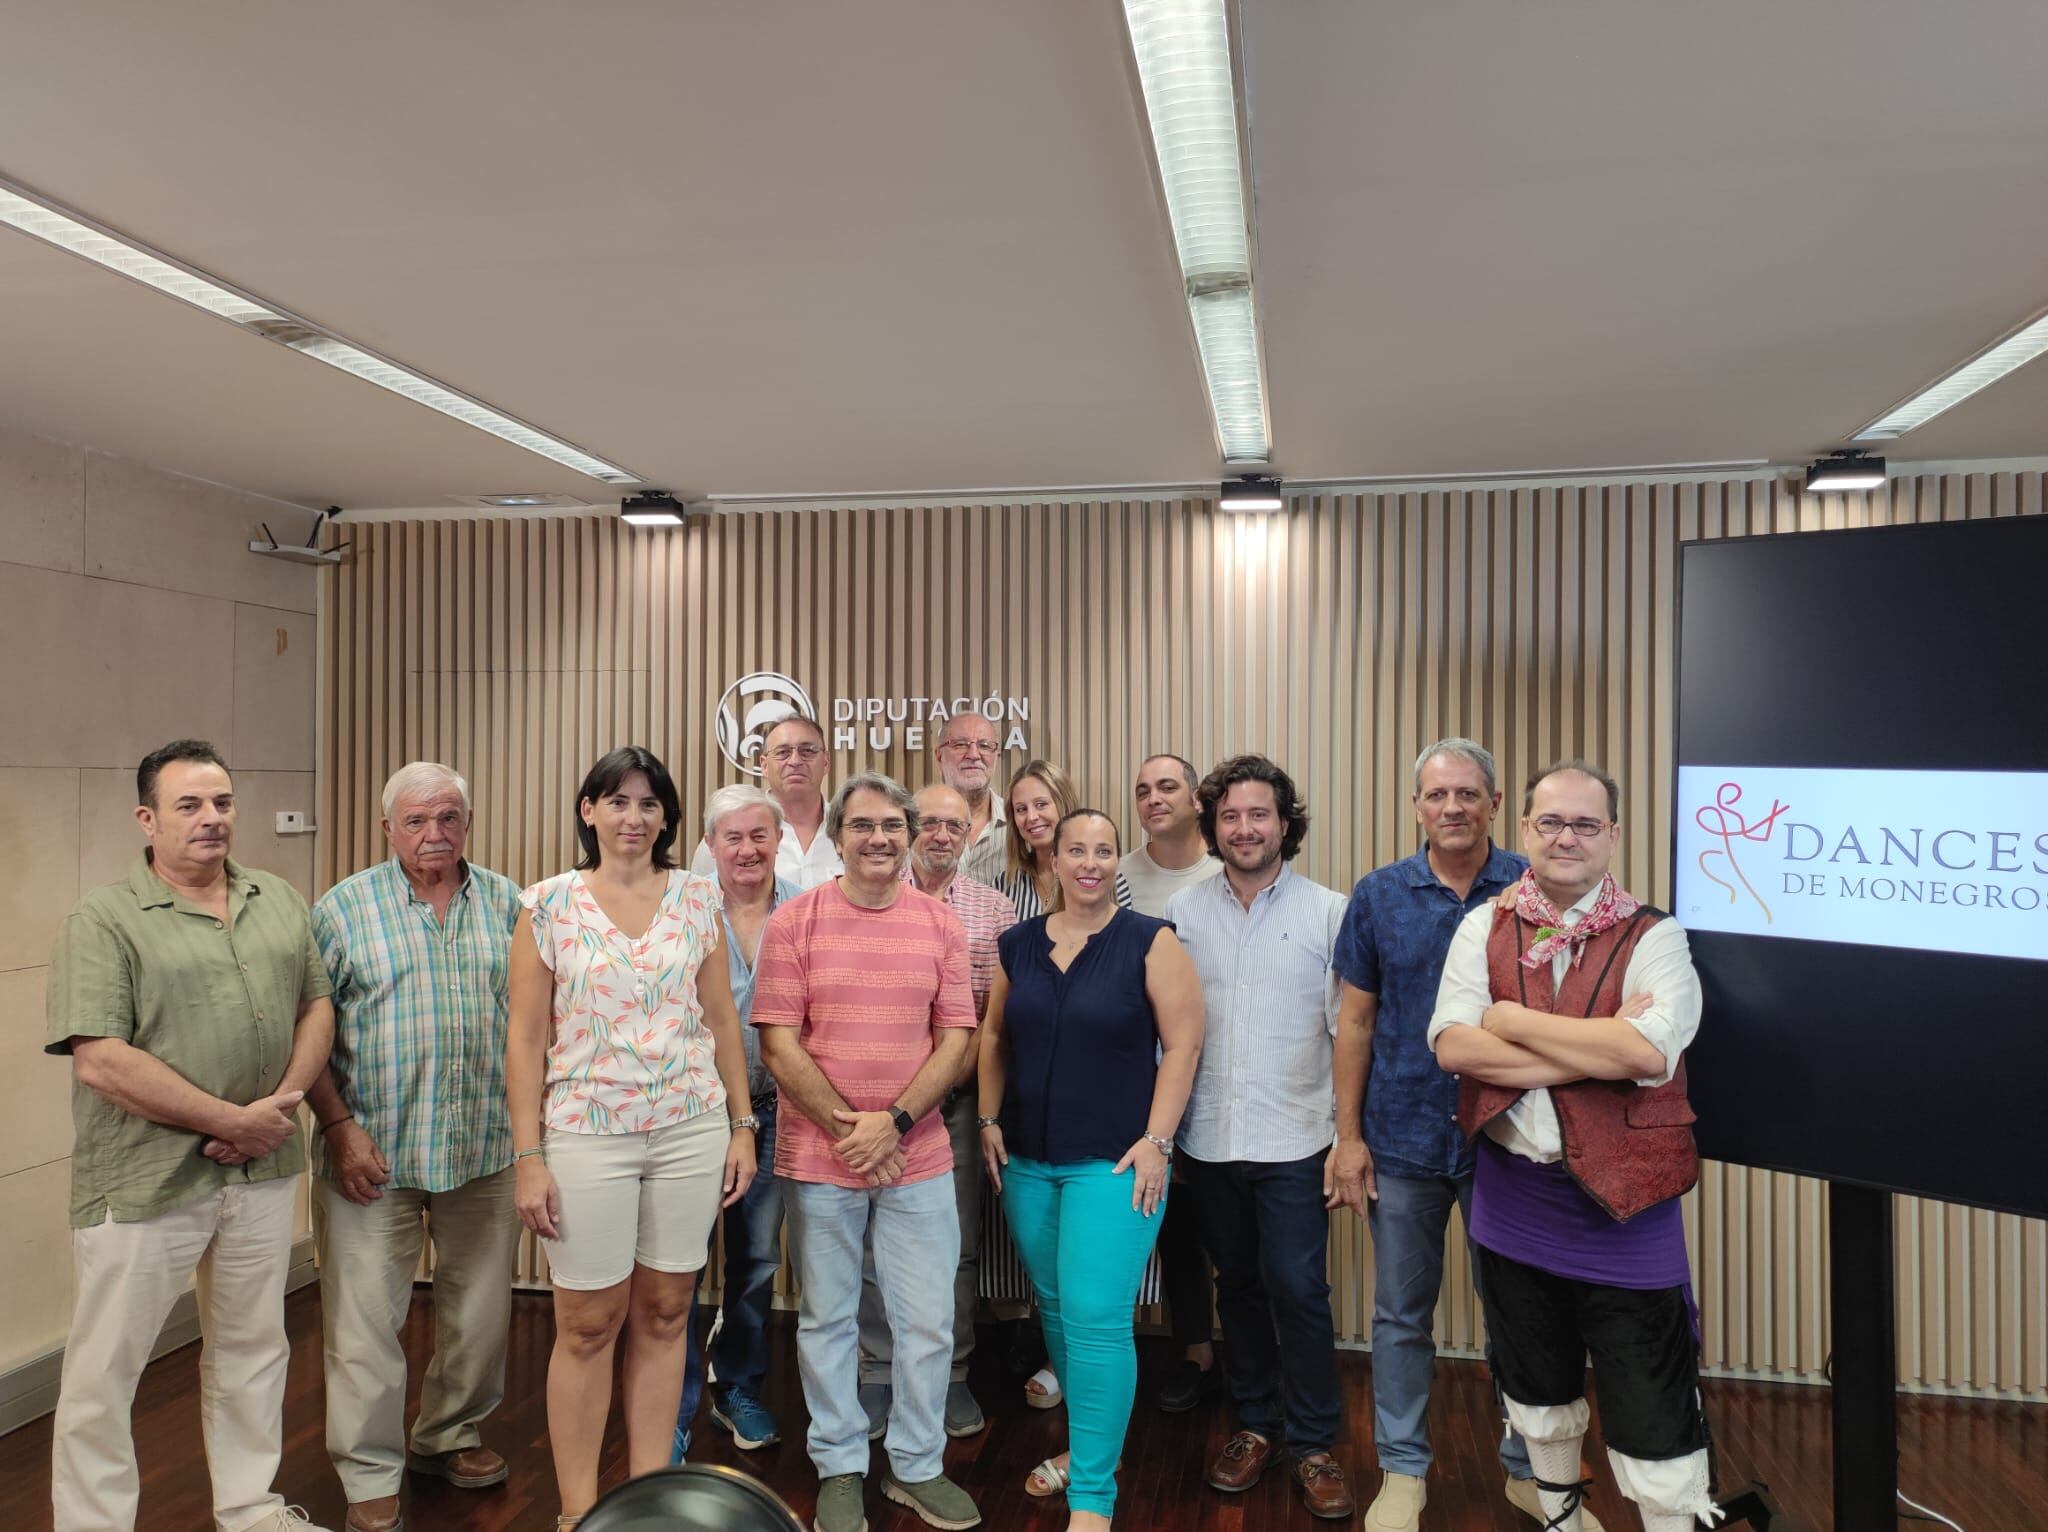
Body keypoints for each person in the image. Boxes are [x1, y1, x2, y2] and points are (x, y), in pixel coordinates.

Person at [46, 739, 336, 1532]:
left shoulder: (277, 897)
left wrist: (273, 1111)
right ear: (147, 820)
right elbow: (101, 1060)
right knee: (105, 1373)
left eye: (222, 802)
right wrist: (231, 1121)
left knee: (253, 1349)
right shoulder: (103, 919)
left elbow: (316, 1005)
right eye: (189, 805)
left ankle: (251, 1510)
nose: (212, 818)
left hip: (261, 1168)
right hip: (146, 1179)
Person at [1430, 760, 1712, 1532]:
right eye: (1551, 821)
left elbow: (1648, 1053)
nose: (1567, 837)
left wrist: (1512, 1022)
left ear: (1612, 835)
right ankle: (1560, 1520)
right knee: (1535, 1383)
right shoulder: (1482, 927)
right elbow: (1453, 1047)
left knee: (1652, 1402)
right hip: (1513, 1201)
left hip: (1628, 1209)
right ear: (1524, 828)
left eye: (1586, 824)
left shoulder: (1656, 935)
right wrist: (1600, 1046)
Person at [1325, 739, 1578, 1532]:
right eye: (1437, 795)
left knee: (1522, 1315)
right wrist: (1347, 1138)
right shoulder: (1379, 895)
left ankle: (1530, 1473)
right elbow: (1355, 1022)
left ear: (1496, 805)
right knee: (1401, 1315)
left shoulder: (1537, 890)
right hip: (1400, 1141)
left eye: (1468, 793)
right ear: (1416, 807)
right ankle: (1403, 1471)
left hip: (1509, 1141)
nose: (1453, 808)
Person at [506, 747, 758, 1531]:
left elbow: (722, 1020)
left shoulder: (698, 897)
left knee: (666, 1313)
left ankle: (652, 1505)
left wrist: (742, 1127)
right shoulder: (546, 905)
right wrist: (528, 1157)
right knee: (587, 1324)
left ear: (667, 818)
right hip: (586, 1134)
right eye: (617, 801)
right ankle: (579, 1513)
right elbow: (524, 1039)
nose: (633, 817)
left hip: (690, 1128)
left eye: (649, 804)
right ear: (588, 811)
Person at [752, 773, 983, 1532]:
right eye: (862, 826)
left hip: (918, 1156)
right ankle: (841, 1465)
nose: (879, 838)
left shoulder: (940, 923)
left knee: (927, 1322)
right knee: (828, 1320)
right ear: (839, 836)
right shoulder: (794, 921)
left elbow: (957, 1038)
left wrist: (897, 1121)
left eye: (892, 825)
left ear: (909, 834)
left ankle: (916, 1465)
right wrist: (856, 1132)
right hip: (822, 1160)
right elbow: (778, 1043)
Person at [306, 762, 525, 1532]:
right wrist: (339, 1128)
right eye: (416, 821)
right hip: (372, 1153)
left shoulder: (508, 903)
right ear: (387, 829)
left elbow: (535, 1021)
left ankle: (449, 1435)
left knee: (480, 1315)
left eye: (449, 818)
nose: (435, 834)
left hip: (486, 1145)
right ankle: (369, 1472)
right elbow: (309, 1032)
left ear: (469, 822)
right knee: (364, 1325)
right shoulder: (342, 911)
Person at [976, 808, 1203, 1532]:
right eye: (1077, 850)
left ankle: (1094, 1501)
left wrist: (1158, 1141)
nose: (1090, 863)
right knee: (1054, 1309)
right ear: (1054, 860)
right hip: (1027, 1163)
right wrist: (987, 1119)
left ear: (1116, 863)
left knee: (1097, 1320)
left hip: (1114, 1164)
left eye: (1104, 851)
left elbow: (1185, 1044)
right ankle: (1088, 1450)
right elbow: (993, 1035)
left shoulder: (1151, 940)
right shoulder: (1017, 944)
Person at [1170, 755, 1356, 1519]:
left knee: (1298, 1289)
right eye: (1230, 816)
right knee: (1237, 1286)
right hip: (1208, 1137)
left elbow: (1350, 1031)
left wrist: (1349, 1136)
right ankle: (1254, 1425)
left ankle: (1313, 1443)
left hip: (1297, 1137)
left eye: (1258, 814)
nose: (1244, 828)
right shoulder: (1182, 912)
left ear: (1284, 823)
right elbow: (1166, 1029)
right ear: (1213, 827)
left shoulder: (1330, 913)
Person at [858, 784, 1019, 1441]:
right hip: (873, 1104)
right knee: (873, 1242)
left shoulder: (994, 909)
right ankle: (877, 1371)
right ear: (907, 828)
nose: (943, 835)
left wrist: (952, 1093)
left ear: (969, 834)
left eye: (956, 825)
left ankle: (950, 1373)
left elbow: (991, 1020)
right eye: (929, 822)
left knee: (955, 1245)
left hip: (954, 1102)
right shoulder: (870, 895)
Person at [674, 786, 801, 1458]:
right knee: (680, 1266)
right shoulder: (682, 910)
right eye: (733, 837)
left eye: (759, 836)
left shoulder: (806, 911)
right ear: (710, 845)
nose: (747, 850)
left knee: (754, 1264)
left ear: (779, 840)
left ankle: (737, 1388)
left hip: (777, 1114)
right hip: (694, 1117)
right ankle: (673, 1408)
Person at [1117, 752, 1223, 1414]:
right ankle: (1189, 1350)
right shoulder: (1118, 875)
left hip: (1218, 1069)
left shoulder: (1225, 870)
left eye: (1167, 787)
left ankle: (1242, 1361)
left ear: (1195, 799)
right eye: (1142, 790)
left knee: (1221, 1223)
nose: (1153, 798)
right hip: (1136, 1075)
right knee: (1165, 1217)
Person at [692, 715, 842, 889]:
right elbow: (699, 901)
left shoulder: (849, 831)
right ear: (764, 765)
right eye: (782, 752)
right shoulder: (724, 837)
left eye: (807, 751)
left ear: (826, 762)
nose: (795, 761)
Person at [934, 710, 1009, 875]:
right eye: (960, 744)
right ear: (939, 756)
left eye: (984, 745)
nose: (974, 755)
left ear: (996, 756)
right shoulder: (912, 824)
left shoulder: (1020, 824)